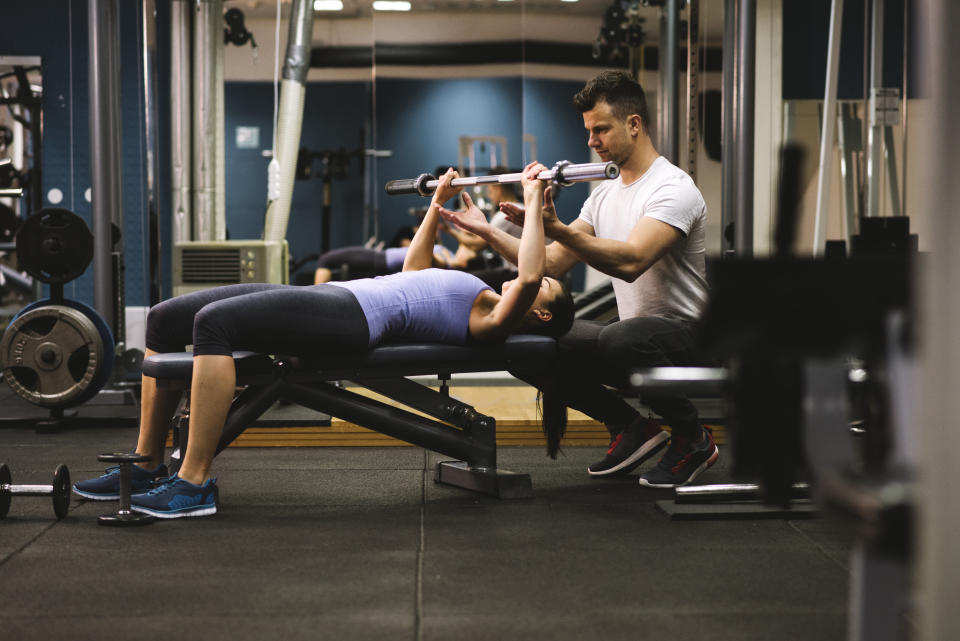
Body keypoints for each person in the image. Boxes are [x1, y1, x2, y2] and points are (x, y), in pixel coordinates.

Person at [73, 162, 574, 518]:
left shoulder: (495, 321)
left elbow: (530, 274)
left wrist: (531, 203)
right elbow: (416, 268)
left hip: (351, 320)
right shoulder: (482, 293)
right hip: (337, 298)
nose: (531, 279)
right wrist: (438, 209)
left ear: (542, 310)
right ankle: (145, 465)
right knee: (164, 320)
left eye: (545, 288)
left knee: (214, 325)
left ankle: (193, 482)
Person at [440, 70, 718, 489]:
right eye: (589, 131)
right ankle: (630, 426)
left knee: (620, 339)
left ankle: (693, 438)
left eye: (601, 129)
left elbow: (632, 261)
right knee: (523, 344)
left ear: (634, 124)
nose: (592, 141)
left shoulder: (673, 188)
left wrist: (556, 227)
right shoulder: (603, 193)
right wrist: (486, 232)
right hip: (635, 340)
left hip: (691, 338)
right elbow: (549, 264)